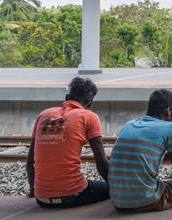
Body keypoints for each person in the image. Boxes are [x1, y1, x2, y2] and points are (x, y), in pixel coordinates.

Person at [26, 77, 110, 208]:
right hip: (73, 196)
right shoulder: (88, 116)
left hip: (41, 200)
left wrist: (33, 192)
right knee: (107, 189)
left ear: (66, 97)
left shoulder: (43, 115)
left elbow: (30, 162)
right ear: (90, 103)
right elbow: (102, 164)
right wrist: (117, 189)